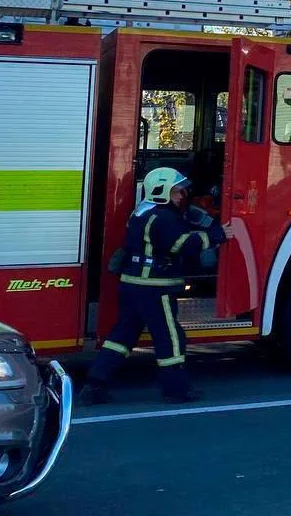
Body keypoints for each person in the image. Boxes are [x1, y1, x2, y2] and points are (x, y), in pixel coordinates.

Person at [80, 167, 231, 405]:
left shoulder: (142, 212)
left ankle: (94, 385)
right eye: (178, 191)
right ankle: (176, 390)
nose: (183, 195)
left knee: (122, 336)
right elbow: (182, 245)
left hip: (132, 284)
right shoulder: (164, 217)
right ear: (163, 191)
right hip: (154, 287)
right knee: (170, 338)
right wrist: (218, 234)